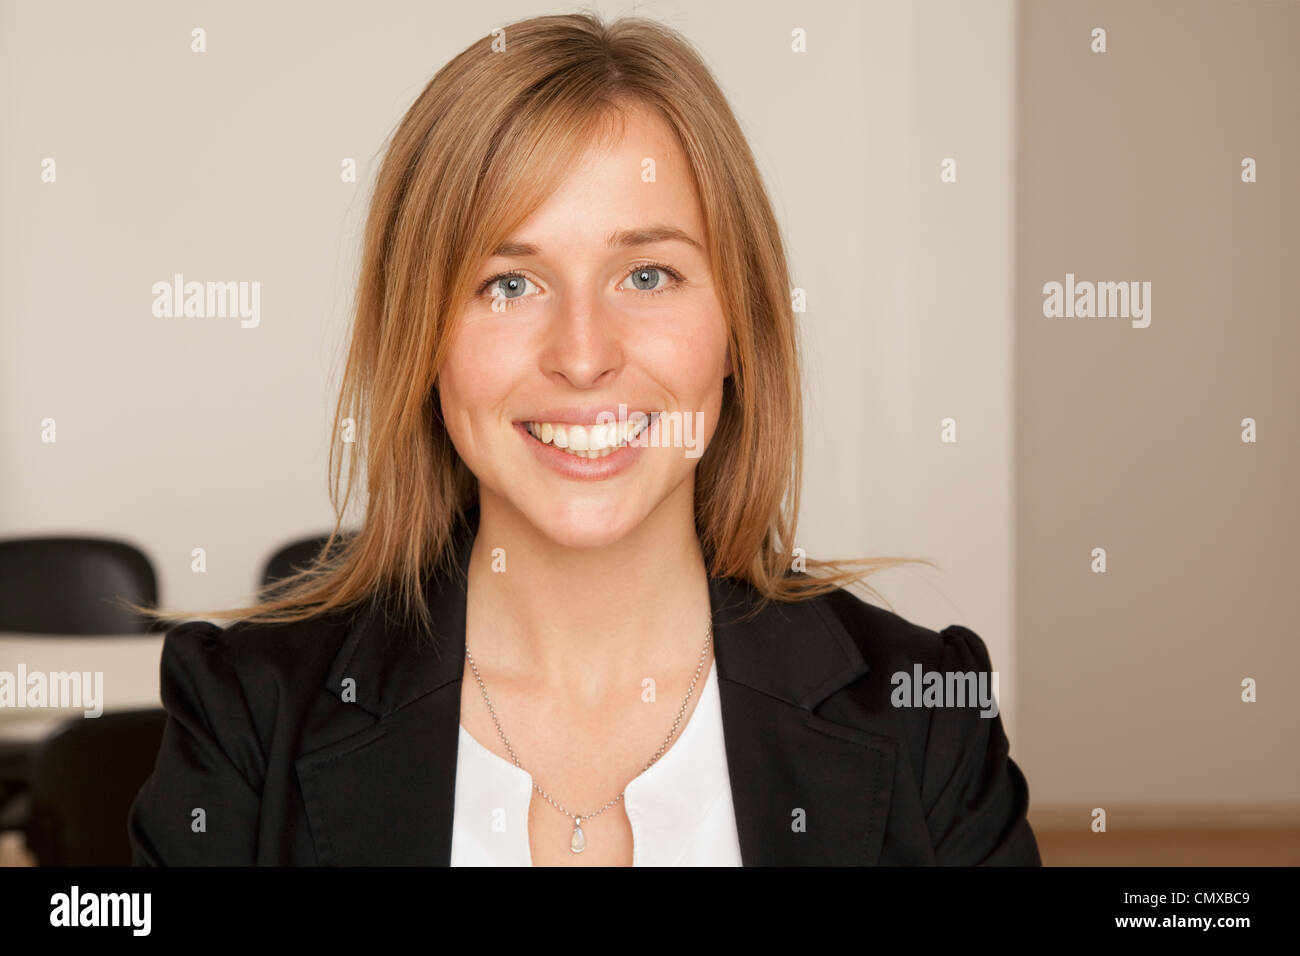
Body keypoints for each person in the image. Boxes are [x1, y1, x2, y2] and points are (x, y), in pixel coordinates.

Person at [128, 12, 1040, 867]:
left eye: (647, 274)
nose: (582, 355)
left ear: (738, 328)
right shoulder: (244, 714)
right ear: (423, 341)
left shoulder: (926, 711)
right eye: (510, 284)